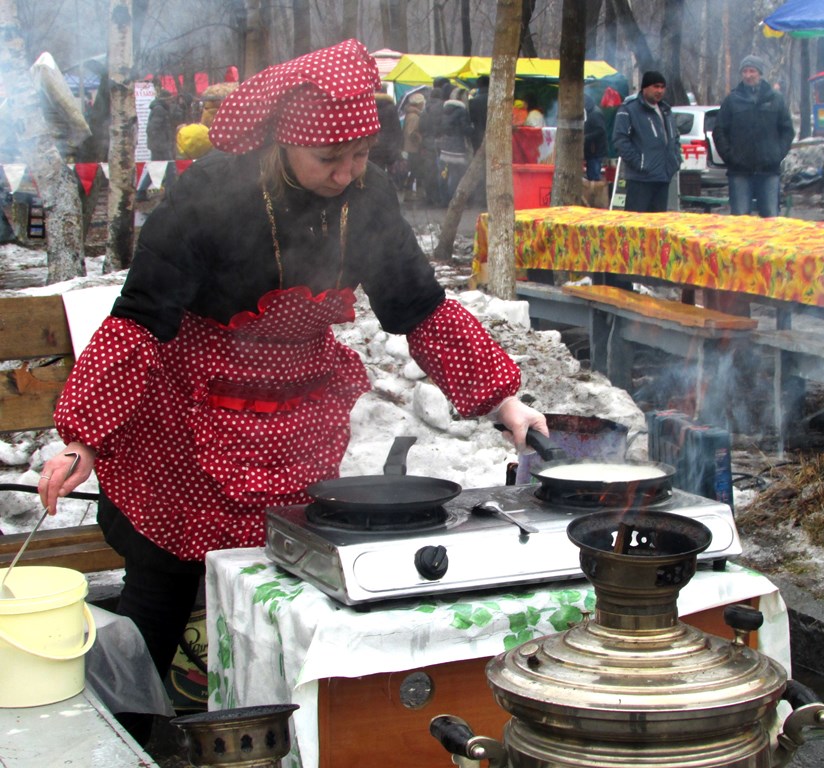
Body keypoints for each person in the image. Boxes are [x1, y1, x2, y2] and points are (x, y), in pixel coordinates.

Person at [36, 40, 547, 689]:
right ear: (282, 142)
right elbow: (140, 317)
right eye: (329, 158)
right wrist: (84, 436)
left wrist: (504, 403)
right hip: (186, 427)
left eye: (360, 155)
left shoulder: (369, 195)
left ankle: (277, 724)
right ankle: (133, 729)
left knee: (285, 590)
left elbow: (418, 305)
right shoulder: (213, 194)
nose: (347, 173)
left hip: (294, 426)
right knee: (160, 595)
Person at [712, 54, 795, 217]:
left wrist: (776, 154)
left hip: (769, 170)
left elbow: (787, 130)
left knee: (770, 219)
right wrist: (730, 156)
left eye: (752, 71)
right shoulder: (732, 100)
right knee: (740, 221)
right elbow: (719, 131)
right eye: (745, 71)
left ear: (760, 73)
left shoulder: (775, 99)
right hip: (739, 171)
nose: (748, 75)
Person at [612, 71, 681, 213]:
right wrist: (639, 163)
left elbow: (675, 137)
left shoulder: (666, 110)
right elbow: (620, 139)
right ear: (645, 87)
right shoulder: (629, 109)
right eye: (656, 86)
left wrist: (675, 159)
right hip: (640, 179)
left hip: (663, 176)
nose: (660, 91)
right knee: (637, 226)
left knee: (658, 226)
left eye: (662, 87)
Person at [175, 81, 239, 160]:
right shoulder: (232, 111)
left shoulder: (207, 111)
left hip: (210, 149)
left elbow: (204, 130)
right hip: (228, 150)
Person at [437, 88, 474, 204]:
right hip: (457, 145)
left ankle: (443, 198)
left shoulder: (445, 109)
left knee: (445, 172)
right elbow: (465, 129)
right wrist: (473, 129)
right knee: (456, 174)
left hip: (445, 144)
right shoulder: (461, 111)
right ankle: (453, 199)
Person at [583, 94, 609, 208]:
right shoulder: (591, 112)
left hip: (595, 151)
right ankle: (594, 201)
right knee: (592, 175)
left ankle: (596, 202)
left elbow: (600, 130)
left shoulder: (595, 114)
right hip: (592, 151)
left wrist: (586, 137)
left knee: (594, 177)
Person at [467, 75, 489, 152]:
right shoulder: (496, 100)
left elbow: (470, 119)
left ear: (478, 85)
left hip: (478, 134)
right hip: (494, 135)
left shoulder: (473, 101)